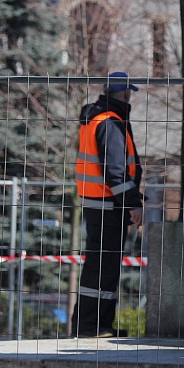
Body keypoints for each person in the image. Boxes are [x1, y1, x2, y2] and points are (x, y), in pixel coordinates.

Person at [73, 71, 144, 338]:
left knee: (98, 266)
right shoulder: (111, 123)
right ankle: (93, 326)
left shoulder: (95, 119)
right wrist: (133, 203)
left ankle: (94, 325)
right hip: (109, 205)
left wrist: (135, 196)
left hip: (97, 202)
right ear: (125, 93)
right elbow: (115, 172)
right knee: (104, 267)